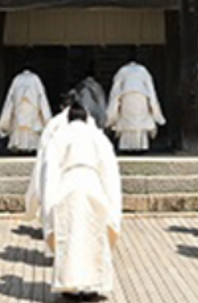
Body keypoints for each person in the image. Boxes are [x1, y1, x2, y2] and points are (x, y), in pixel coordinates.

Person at [42, 102, 122, 300]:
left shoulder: (58, 136)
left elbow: (49, 173)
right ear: (87, 118)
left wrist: (47, 207)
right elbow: (110, 172)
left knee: (69, 238)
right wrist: (113, 205)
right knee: (95, 236)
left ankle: (69, 285)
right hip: (93, 186)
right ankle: (93, 285)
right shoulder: (98, 137)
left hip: (67, 186)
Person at [24, 90, 74, 230]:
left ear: (61, 106)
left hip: (57, 165)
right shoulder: (87, 122)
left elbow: (44, 148)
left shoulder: (54, 123)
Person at [105, 55, 165, 152]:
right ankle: (141, 146)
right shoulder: (143, 71)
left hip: (125, 98)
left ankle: (126, 146)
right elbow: (151, 89)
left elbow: (115, 90)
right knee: (140, 122)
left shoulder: (122, 71)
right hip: (142, 98)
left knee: (127, 122)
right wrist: (154, 108)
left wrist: (113, 110)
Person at [0, 68, 52, 153]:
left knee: (19, 126)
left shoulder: (16, 79)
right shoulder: (35, 79)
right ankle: (31, 147)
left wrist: (4, 121)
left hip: (19, 109)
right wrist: (47, 119)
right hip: (32, 109)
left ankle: (19, 145)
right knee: (31, 128)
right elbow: (42, 98)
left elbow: (10, 99)